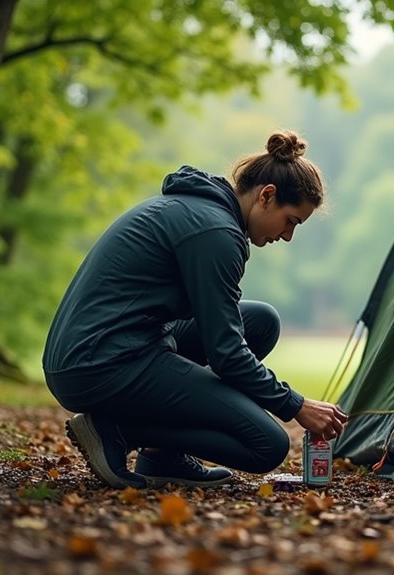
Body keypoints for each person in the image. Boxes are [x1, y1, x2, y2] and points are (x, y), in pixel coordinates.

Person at [42, 130, 348, 489]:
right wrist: (296, 405)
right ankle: (115, 430)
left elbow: (225, 334)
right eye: (291, 221)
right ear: (267, 196)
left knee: (261, 322)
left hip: (109, 347)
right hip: (98, 362)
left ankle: (162, 455)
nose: (287, 236)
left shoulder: (202, 212)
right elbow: (227, 354)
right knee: (268, 444)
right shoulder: (216, 232)